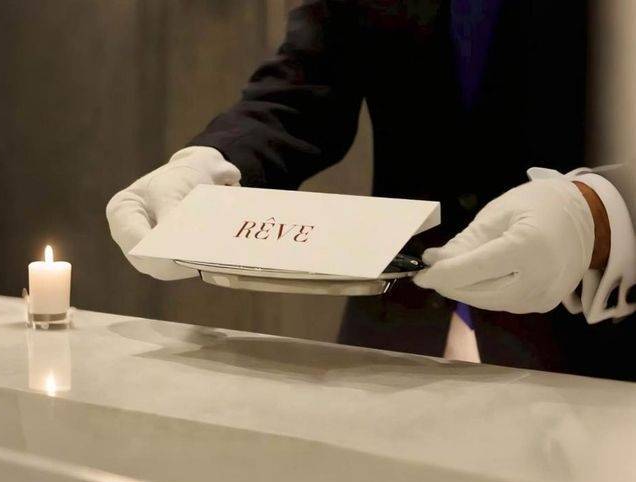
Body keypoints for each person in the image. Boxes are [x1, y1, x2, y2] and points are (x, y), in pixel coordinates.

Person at [106, 0, 635, 380]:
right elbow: (303, 91)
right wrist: (207, 165)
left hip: (596, 361)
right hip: (393, 349)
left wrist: (600, 212)